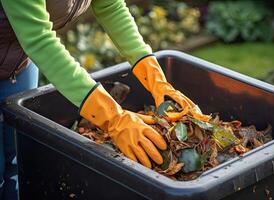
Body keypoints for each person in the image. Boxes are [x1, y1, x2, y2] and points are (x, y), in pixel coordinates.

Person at [0, 0, 202, 199]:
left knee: (19, 160)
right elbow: (38, 38)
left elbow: (110, 6)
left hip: (18, 58)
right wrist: (114, 118)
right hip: (28, 42)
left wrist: (154, 77)